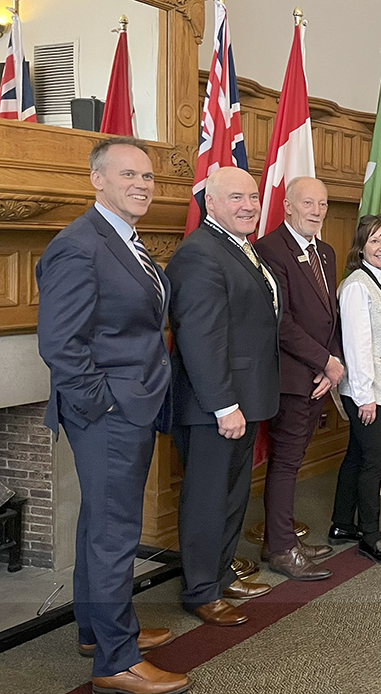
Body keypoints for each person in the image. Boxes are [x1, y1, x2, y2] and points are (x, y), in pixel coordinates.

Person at [36, 137, 189, 694]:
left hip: (131, 403)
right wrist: (102, 403)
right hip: (109, 413)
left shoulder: (126, 240)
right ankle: (116, 662)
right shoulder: (79, 245)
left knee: (100, 525)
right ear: (97, 179)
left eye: (147, 177)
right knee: (114, 533)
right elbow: (59, 342)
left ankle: (97, 631)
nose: (141, 185)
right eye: (128, 175)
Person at [167, 167, 280, 626]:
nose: (249, 205)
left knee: (233, 496)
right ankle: (199, 591)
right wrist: (223, 405)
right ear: (209, 202)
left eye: (252, 196)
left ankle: (219, 575)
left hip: (242, 399)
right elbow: (199, 336)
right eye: (236, 197)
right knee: (208, 499)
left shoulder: (237, 247)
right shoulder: (199, 254)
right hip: (215, 406)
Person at [253, 176, 340, 580]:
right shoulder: (269, 249)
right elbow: (280, 321)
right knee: (286, 463)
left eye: (322, 204)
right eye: (308, 203)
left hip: (319, 376)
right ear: (287, 206)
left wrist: (332, 361)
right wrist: (324, 360)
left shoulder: (325, 251)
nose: (317, 211)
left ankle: (279, 538)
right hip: (290, 376)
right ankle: (283, 550)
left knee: (295, 460)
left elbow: (329, 315)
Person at [330, 215, 381, 566]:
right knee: (376, 460)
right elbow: (357, 345)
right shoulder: (357, 285)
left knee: (357, 454)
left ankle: (342, 524)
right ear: (361, 247)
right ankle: (371, 537)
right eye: (375, 241)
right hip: (366, 390)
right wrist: (364, 396)